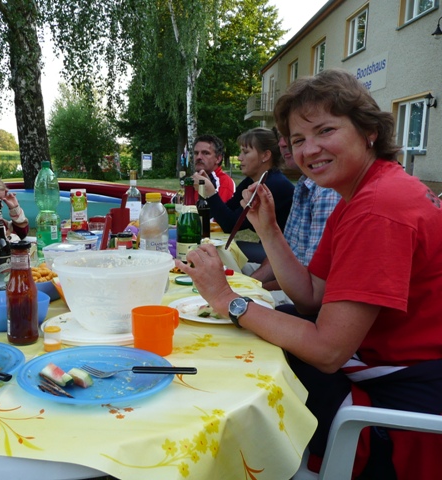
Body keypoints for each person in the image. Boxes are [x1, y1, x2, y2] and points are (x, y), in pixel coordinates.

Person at [178, 69, 442, 479]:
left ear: (369, 130)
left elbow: (327, 350)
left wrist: (227, 300)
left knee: (237, 387)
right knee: (259, 345)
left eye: (325, 130)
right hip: (378, 371)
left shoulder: (379, 207)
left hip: (397, 418)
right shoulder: (360, 194)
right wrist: (267, 229)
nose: (309, 149)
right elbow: (311, 295)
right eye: (298, 140)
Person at [249, 132, 340, 306]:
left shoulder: (326, 190)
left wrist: (253, 289)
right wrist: (250, 284)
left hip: (305, 297)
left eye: (245, 151)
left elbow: (311, 292)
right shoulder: (304, 183)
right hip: (293, 281)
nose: (282, 143)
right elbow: (287, 249)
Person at [194, 127, 294, 262]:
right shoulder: (253, 180)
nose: (240, 158)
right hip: (269, 249)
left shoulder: (273, 185)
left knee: (224, 253)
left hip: (285, 257)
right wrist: (203, 193)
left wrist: (211, 193)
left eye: (245, 152)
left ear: (265, 156)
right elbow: (225, 210)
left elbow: (230, 224)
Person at [192, 134, 235, 202]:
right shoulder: (195, 180)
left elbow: (218, 211)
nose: (198, 157)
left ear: (218, 159)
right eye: (196, 153)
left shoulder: (223, 182)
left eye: (205, 153)